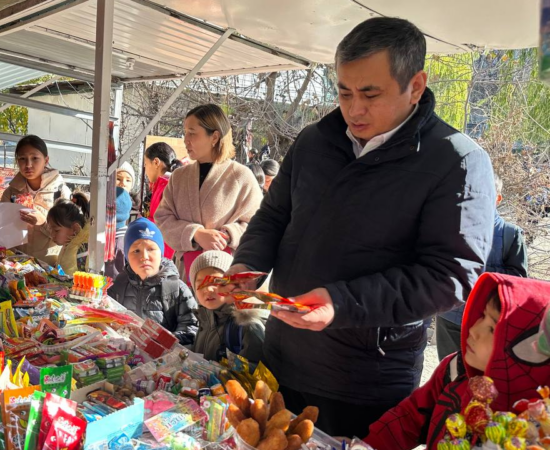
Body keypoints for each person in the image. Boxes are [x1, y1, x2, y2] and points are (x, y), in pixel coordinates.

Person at [226, 18, 496, 437]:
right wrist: (244, 270)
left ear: (417, 86)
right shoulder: (314, 141)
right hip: (281, 355)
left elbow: (450, 276)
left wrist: (342, 302)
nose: (354, 109)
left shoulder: (456, 161)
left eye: (371, 94)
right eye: (344, 92)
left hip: (364, 380)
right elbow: (274, 217)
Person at [364, 273, 550, 450]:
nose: (474, 330)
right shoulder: (455, 371)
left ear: (528, 350)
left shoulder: (537, 424)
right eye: (482, 316)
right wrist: (368, 445)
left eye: (493, 329)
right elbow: (410, 417)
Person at [155, 104, 263, 283]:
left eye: (192, 133)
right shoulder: (179, 177)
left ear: (214, 136)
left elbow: (259, 224)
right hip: (185, 275)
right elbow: (162, 219)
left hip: (225, 275)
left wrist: (229, 234)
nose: (185, 140)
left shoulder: (241, 176)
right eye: (185, 133)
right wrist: (195, 234)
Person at [436, 173, 529, 360]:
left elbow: (518, 282)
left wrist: (478, 276)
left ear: (498, 198)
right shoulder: (450, 227)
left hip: (488, 322)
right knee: (448, 376)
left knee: (482, 379)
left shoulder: (510, 234)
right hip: (450, 317)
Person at [107, 218, 198, 345]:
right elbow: (108, 316)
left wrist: (167, 340)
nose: (144, 256)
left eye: (151, 249)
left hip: (164, 359)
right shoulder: (119, 285)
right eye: (136, 251)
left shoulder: (176, 288)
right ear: (127, 256)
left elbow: (191, 326)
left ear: (161, 252)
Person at [0, 135, 71, 266]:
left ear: (46, 160)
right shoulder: (10, 193)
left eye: (35, 158)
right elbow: (1, 230)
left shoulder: (60, 193)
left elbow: (67, 237)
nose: (28, 165)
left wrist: (43, 222)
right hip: (16, 265)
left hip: (49, 267)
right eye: (22, 159)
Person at [190, 250, 267, 364]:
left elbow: (255, 370)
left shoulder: (247, 323)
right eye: (200, 284)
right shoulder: (204, 318)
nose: (208, 289)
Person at [143, 142, 183, 259]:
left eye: (146, 164)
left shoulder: (166, 186)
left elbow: (160, 222)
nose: (146, 170)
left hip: (165, 252)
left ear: (156, 162)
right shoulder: (167, 184)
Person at [47, 192, 90, 275]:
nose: (52, 234)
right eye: (50, 230)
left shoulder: (82, 250)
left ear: (75, 229)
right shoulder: (67, 244)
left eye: (56, 230)